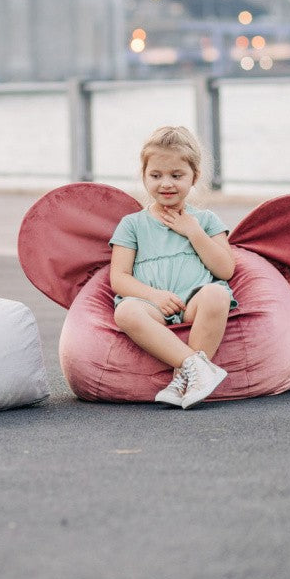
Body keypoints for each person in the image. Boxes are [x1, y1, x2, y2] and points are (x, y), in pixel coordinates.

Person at [109, 126, 237, 409]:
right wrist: (153, 296)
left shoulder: (205, 220)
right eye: (156, 175)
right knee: (126, 311)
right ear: (144, 176)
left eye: (176, 176)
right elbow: (119, 277)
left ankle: (184, 376)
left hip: (193, 301)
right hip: (152, 306)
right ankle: (196, 366)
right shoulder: (132, 224)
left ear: (195, 177)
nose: (166, 183)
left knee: (218, 295)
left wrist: (194, 232)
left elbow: (225, 269)